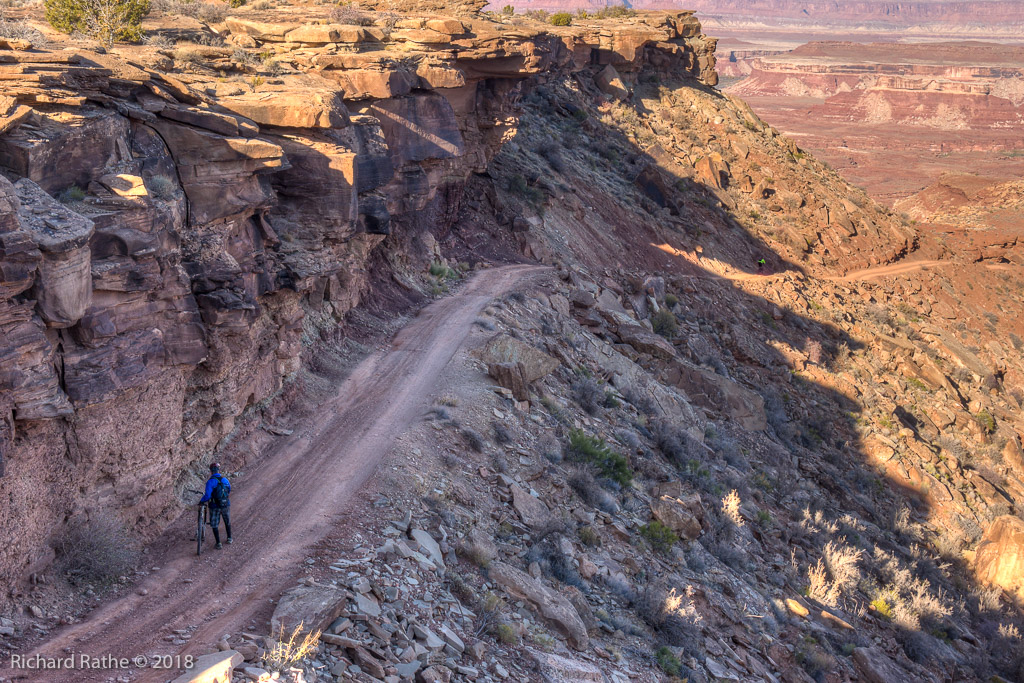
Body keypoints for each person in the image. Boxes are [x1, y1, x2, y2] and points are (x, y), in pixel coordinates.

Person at [199, 463, 232, 549]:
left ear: (211, 471)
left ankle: (218, 543)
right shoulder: (225, 480)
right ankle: (229, 538)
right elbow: (229, 490)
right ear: (218, 470)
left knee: (214, 524)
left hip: (214, 505)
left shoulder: (210, 481)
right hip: (225, 504)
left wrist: (201, 501)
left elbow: (207, 495)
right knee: (227, 521)